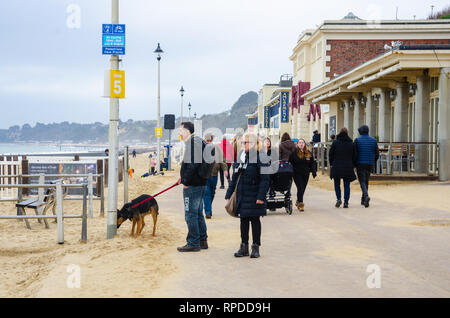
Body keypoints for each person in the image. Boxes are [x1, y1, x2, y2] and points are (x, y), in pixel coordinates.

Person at [225, 133, 270, 259]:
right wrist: (229, 193)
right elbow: (235, 177)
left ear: (255, 144)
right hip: (242, 194)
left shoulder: (262, 156)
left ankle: (255, 247)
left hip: (255, 194)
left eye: (247, 142)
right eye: (243, 142)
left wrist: (261, 197)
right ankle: (243, 246)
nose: (244, 145)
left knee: (255, 220)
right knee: (243, 220)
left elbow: (265, 179)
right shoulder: (241, 156)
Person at [177, 122, 208, 252]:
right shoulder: (197, 141)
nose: (179, 132)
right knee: (198, 213)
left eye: (180, 130)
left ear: (187, 131)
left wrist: (186, 181)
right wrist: (182, 177)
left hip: (193, 185)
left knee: (190, 214)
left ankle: (193, 242)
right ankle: (202, 240)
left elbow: (193, 164)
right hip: (199, 183)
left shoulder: (192, 143)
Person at [329, 128, 357, 209]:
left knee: (337, 184)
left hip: (336, 165)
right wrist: (353, 165)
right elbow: (354, 156)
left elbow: (331, 154)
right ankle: (346, 202)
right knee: (347, 185)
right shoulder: (351, 143)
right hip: (348, 166)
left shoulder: (335, 142)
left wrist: (332, 164)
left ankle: (338, 199)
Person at [203, 133, 227, 219]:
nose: (209, 142)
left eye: (210, 140)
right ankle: (208, 211)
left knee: (212, 192)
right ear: (204, 140)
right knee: (207, 193)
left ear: (212, 140)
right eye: (207, 140)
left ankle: (207, 206)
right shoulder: (201, 148)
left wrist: (225, 170)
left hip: (214, 174)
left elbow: (223, 160)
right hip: (204, 175)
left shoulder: (217, 148)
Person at [354, 125, 379, 208]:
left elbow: (355, 153)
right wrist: (373, 161)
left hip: (360, 163)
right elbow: (377, 154)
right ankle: (363, 199)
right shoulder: (373, 140)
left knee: (362, 181)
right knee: (366, 180)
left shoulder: (357, 140)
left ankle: (366, 195)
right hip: (369, 163)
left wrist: (355, 163)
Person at [289, 139, 317, 212]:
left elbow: (312, 163)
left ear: (304, 144)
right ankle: (301, 204)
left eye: (302, 143)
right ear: (297, 144)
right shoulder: (294, 153)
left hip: (306, 173)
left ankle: (298, 200)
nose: (301, 144)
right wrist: (290, 172)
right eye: (300, 143)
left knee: (303, 189)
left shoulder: (308, 153)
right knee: (300, 188)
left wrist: (314, 171)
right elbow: (290, 162)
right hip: (296, 173)